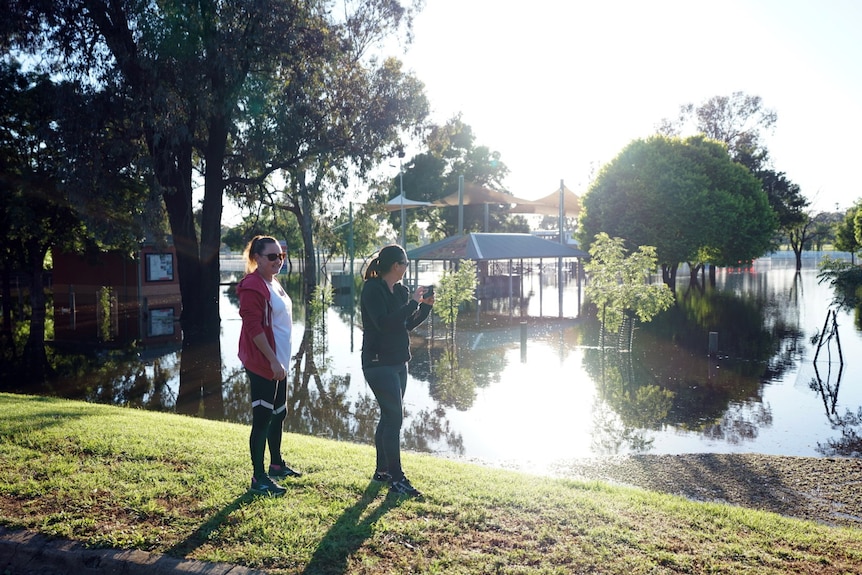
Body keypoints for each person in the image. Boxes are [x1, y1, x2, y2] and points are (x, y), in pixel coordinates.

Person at [360, 244, 434, 497]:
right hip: (378, 363)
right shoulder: (373, 289)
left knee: (388, 416)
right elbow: (383, 324)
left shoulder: (400, 291)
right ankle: (397, 479)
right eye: (405, 264)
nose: (406, 268)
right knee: (394, 419)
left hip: (399, 361)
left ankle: (382, 472)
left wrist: (424, 307)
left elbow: (404, 324)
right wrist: (412, 303)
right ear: (397, 266)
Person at [237, 235, 302, 496]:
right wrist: (273, 361)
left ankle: (276, 464)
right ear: (257, 258)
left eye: (281, 256)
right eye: (272, 256)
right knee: (262, 418)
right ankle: (258, 477)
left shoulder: (273, 283)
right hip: (264, 362)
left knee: (279, 413)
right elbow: (252, 327)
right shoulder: (252, 285)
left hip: (280, 362)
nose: (278, 260)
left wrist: (282, 361)